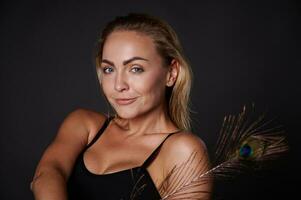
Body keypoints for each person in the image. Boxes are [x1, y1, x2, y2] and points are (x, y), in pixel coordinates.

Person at [30, 13, 212, 200]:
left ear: (171, 73)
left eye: (135, 69)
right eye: (109, 69)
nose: (118, 85)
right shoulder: (84, 125)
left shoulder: (182, 149)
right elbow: (47, 174)